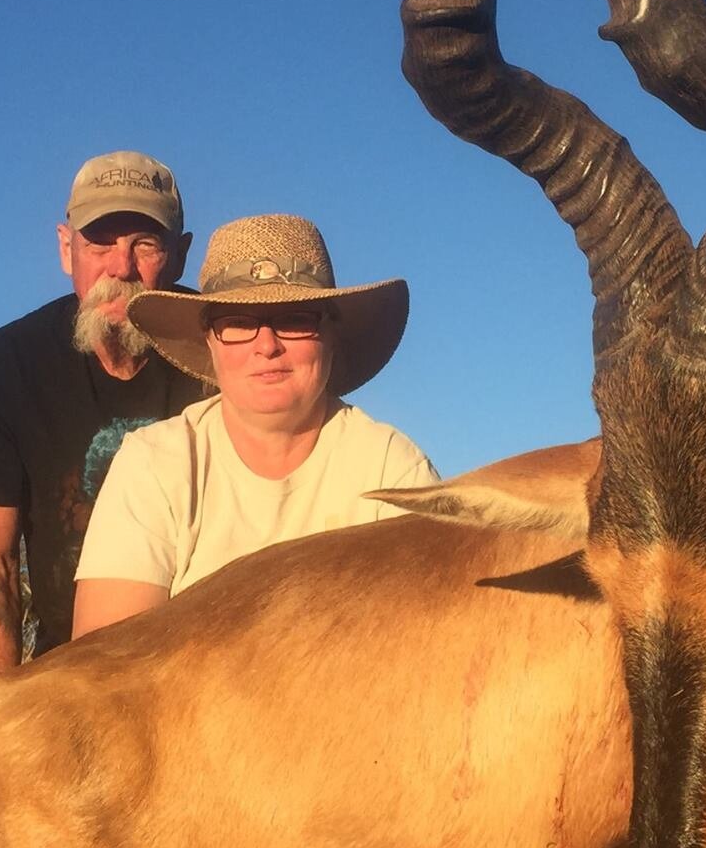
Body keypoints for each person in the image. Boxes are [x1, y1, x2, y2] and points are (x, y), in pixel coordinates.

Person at [0, 152, 206, 728]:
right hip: (68, 677)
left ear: (180, 254)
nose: (120, 266)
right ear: (65, 247)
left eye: (145, 244)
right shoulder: (3, 365)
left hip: (201, 670)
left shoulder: (223, 350)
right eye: (99, 241)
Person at [73, 213, 435, 631]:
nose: (267, 345)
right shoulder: (154, 463)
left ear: (332, 336)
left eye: (295, 320)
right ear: (209, 342)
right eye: (238, 323)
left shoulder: (393, 469)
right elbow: (107, 664)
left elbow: (423, 647)